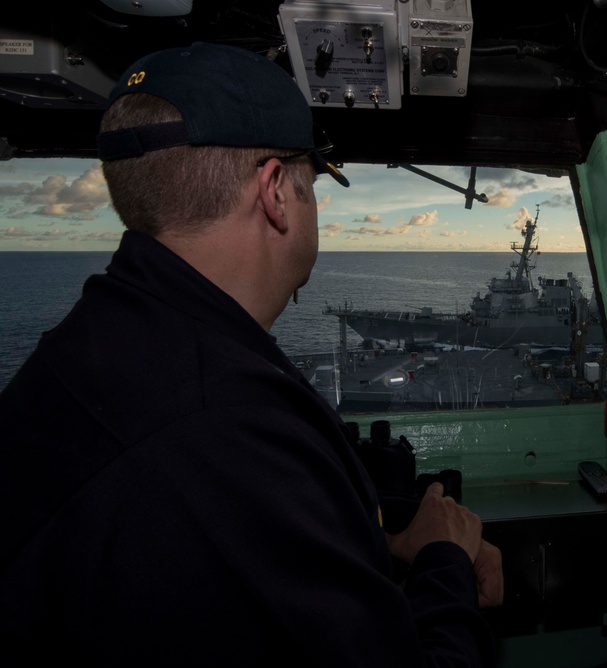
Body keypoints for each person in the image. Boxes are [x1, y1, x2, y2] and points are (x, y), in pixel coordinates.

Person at [0, 42, 502, 665]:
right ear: (275, 192)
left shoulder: (92, 345)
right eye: (313, 184)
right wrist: (443, 560)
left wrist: (371, 531)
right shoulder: (223, 422)